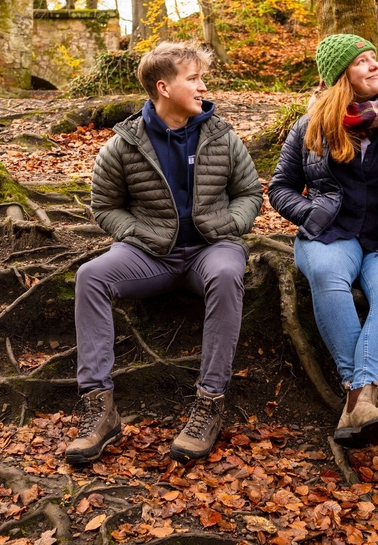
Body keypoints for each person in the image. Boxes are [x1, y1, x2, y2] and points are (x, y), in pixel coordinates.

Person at [65, 40, 263, 466]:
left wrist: (229, 228)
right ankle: (99, 408)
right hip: (149, 255)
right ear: (163, 87)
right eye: (193, 79)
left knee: (229, 273)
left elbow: (249, 192)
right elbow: (104, 206)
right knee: (91, 276)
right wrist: (136, 233)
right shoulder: (123, 145)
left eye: (201, 78)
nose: (202, 87)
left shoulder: (221, 135)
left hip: (212, 250)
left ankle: (209, 403)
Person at [268, 34, 378, 448]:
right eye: (361, 61)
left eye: (374, 57)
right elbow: (280, 187)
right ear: (340, 77)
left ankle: (356, 402)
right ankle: (365, 400)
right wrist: (311, 215)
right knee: (329, 277)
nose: (374, 65)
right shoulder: (311, 125)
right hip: (331, 234)